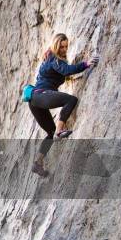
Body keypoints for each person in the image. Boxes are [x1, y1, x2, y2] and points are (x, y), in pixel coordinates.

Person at [28, 33, 99, 177]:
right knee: (71, 100)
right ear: (56, 45)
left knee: (50, 132)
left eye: (66, 46)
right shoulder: (54, 58)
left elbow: (63, 73)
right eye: (61, 46)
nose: (64, 49)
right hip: (40, 95)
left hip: (35, 100)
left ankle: (38, 163)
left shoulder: (51, 57)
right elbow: (67, 71)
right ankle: (59, 132)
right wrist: (86, 63)